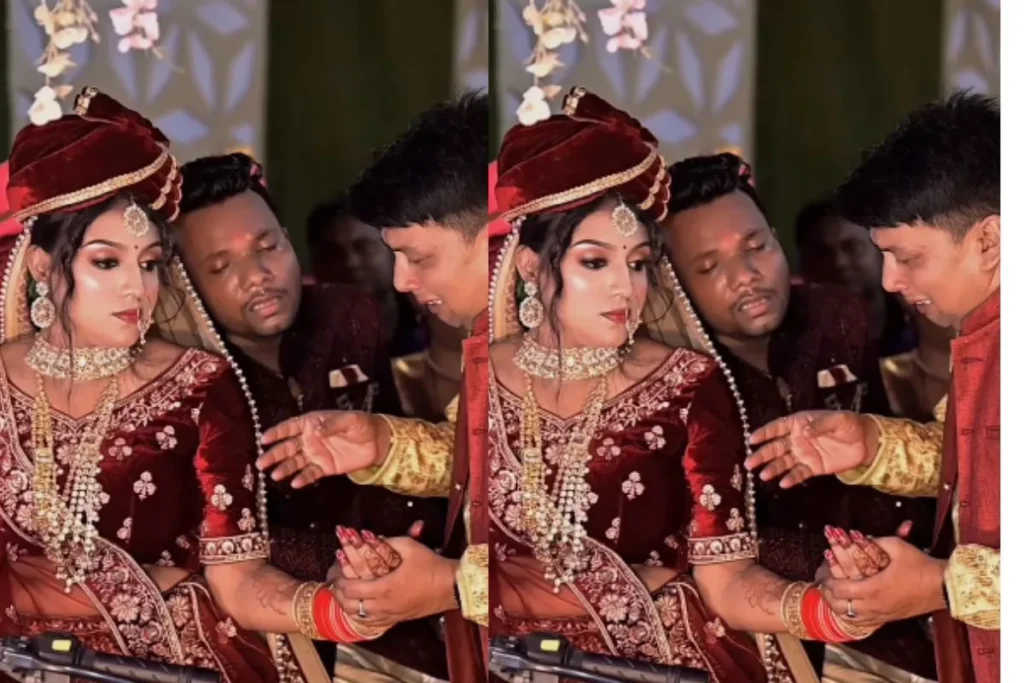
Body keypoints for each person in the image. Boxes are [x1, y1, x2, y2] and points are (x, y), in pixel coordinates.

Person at [487, 86, 890, 683]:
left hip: (658, 661)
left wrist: (827, 611)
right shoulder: (478, 380)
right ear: (530, 266)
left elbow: (725, 577)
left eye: (638, 263)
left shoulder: (686, 383)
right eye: (595, 262)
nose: (626, 288)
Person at [0, 87, 394, 683]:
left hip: (161, 662)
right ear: (41, 267)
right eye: (106, 262)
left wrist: (341, 610)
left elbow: (237, 577)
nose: (138, 288)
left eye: (150, 262)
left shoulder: (197, 384)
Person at [746, 92, 1000, 683]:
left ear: (988, 240)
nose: (889, 281)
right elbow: (981, 463)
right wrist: (871, 445)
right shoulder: (986, 336)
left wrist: (941, 585)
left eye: (907, 257)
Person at [660, 153, 937, 681]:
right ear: (675, 284)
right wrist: (835, 563)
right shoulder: (676, 377)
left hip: (898, 577)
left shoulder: (839, 315)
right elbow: (695, 540)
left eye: (756, 247)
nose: (745, 277)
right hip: (766, 613)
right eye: (709, 267)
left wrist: (899, 544)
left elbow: (884, 439)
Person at [174, 153, 449, 681]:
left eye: (267, 247)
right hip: (273, 609)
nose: (257, 276)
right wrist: (346, 563)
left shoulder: (350, 315)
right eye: (221, 267)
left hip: (402, 574)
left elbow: (394, 438)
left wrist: (410, 541)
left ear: (286, 238)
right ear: (186, 284)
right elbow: (210, 540)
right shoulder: (191, 377)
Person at [255, 92, 490, 683]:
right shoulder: (500, 347)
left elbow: (630, 565)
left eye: (419, 257)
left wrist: (452, 584)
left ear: (494, 236)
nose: (402, 281)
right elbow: (481, 462)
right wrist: (381, 443)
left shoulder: (587, 353)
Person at [305, 196, 462, 421]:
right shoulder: (308, 346)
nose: (351, 262)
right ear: (315, 264)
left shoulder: (438, 322)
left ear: (393, 254)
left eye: (364, 248)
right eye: (333, 254)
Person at [795, 196, 916, 358]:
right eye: (822, 253)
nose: (839, 262)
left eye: (852, 247)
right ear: (803, 264)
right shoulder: (791, 347)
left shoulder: (925, 334)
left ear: (881, 254)